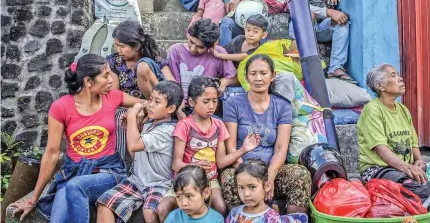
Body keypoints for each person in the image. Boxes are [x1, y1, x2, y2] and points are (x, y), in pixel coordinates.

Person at [11, 54, 143, 222]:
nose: (111, 80)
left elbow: (144, 103)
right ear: (88, 82)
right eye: (105, 75)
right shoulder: (60, 108)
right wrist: (33, 199)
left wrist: (136, 110)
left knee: (77, 186)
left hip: (109, 171)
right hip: (73, 173)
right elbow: (51, 154)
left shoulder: (113, 97)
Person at [221, 54, 311, 213]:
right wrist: (247, 176)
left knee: (300, 174)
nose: (258, 78)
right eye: (253, 73)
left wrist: (269, 177)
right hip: (242, 166)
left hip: (272, 168)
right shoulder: (233, 103)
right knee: (228, 178)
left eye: (263, 73)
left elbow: (281, 148)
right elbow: (231, 147)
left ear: (272, 76)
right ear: (246, 77)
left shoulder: (282, 106)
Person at [97, 81, 184, 223]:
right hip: (137, 180)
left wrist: (132, 115)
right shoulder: (150, 124)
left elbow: (134, 145)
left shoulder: (167, 131)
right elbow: (136, 156)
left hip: (159, 183)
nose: (150, 105)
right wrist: (129, 129)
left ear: (171, 108)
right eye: (150, 99)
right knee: (104, 204)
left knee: (149, 212)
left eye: (157, 102)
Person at [172, 76, 260, 216]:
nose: (212, 106)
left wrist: (244, 149)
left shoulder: (218, 125)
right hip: (186, 178)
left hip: (210, 179)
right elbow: (176, 164)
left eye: (215, 101)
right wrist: (195, 166)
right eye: (206, 101)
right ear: (191, 102)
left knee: (220, 206)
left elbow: (220, 162)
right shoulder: (184, 126)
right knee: (165, 208)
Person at [358, 64, 427, 184]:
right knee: (415, 186)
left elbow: (413, 143)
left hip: (404, 166)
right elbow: (381, 149)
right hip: (378, 169)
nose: (400, 79)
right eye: (393, 75)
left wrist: (419, 161)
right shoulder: (373, 110)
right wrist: (407, 167)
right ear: (380, 86)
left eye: (398, 75)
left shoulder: (403, 110)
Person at [167, 18, 237, 109]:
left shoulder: (218, 53)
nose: (193, 49)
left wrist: (226, 81)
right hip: (178, 105)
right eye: (191, 42)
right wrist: (179, 107)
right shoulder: (175, 50)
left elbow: (237, 79)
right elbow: (172, 84)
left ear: (211, 46)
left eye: (200, 47)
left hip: (205, 108)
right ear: (188, 35)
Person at [107, 20, 175, 99]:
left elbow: (174, 89)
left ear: (137, 46)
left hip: (156, 106)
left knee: (143, 67)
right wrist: (142, 105)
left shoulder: (154, 60)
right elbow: (114, 96)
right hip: (126, 108)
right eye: (116, 45)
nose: (118, 50)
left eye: (122, 46)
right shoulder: (113, 61)